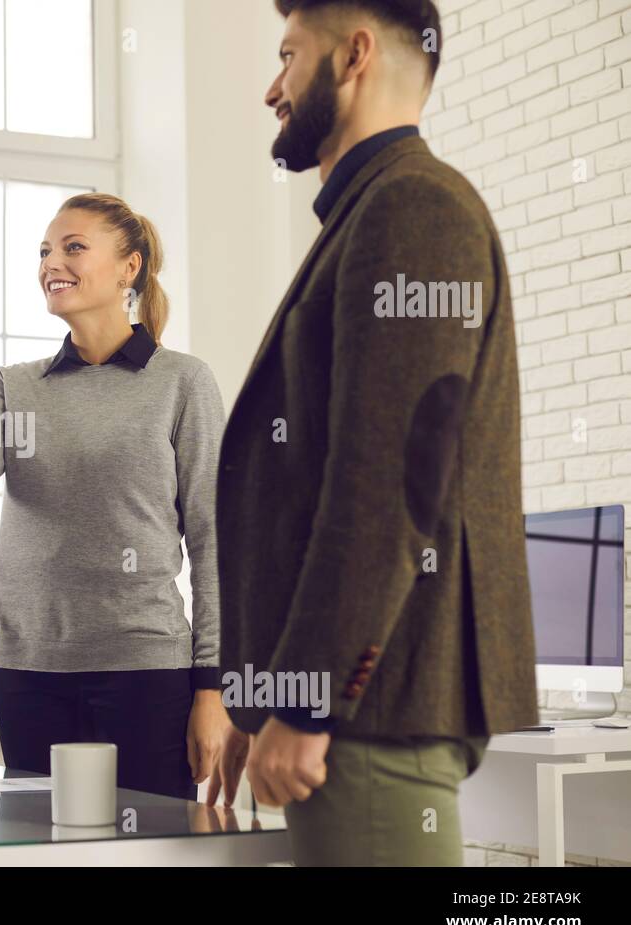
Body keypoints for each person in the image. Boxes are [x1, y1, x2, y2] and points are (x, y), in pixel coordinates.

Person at [209, 0, 539, 864]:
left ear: (354, 56)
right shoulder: (374, 210)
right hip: (355, 715)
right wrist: (268, 694)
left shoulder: (413, 209)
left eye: (289, 55)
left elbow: (387, 481)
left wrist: (307, 699)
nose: (272, 88)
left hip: (369, 714)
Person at [0, 193, 229, 801]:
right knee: (35, 844)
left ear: (129, 267)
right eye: (44, 251)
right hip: (28, 671)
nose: (51, 263)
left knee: (149, 845)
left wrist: (212, 688)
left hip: (145, 671)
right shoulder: (17, 386)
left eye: (73, 248)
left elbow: (213, 539)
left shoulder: (182, 382)